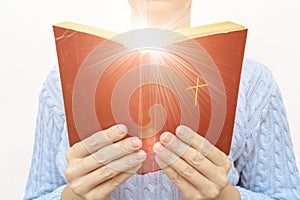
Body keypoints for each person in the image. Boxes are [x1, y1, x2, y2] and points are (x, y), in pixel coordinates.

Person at [24, 0, 300, 199]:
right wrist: (73, 197)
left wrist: (225, 197)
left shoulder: (254, 82)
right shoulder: (61, 81)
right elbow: (36, 194)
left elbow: (285, 194)